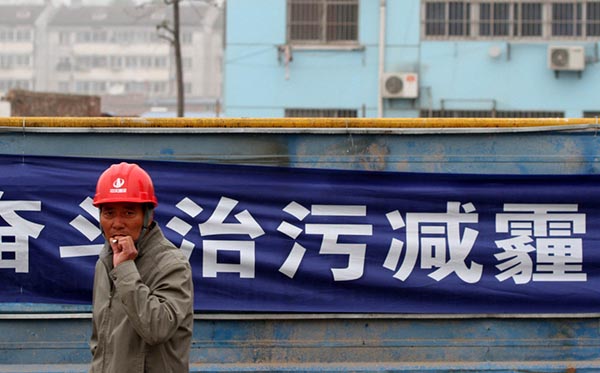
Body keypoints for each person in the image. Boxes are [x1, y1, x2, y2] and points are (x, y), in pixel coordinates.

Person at [89, 162, 194, 373]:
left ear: (148, 216)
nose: (117, 223)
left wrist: (126, 269)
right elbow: (100, 341)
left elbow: (157, 329)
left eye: (129, 213)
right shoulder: (105, 261)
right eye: (109, 213)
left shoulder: (171, 264)